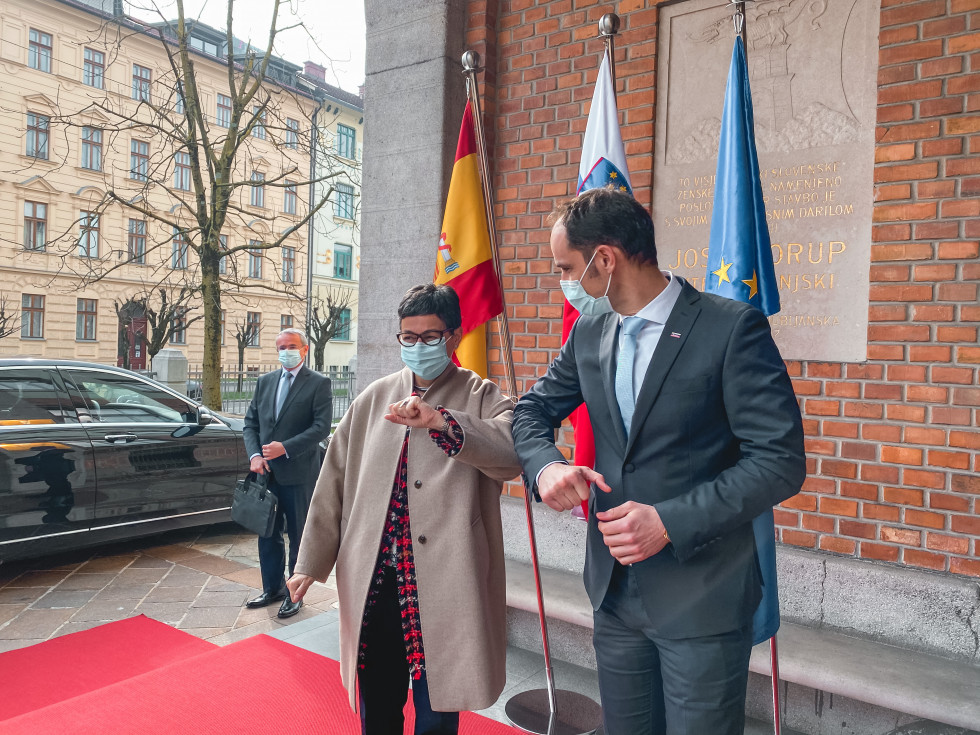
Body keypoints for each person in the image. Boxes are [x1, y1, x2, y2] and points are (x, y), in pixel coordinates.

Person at [511, 187, 806, 735]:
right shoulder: (590, 330)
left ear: (605, 259)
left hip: (703, 597)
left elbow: (780, 461)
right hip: (615, 596)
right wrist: (546, 467)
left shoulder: (730, 328)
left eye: (567, 268)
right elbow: (530, 412)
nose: (565, 284)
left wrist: (670, 521)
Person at [287, 284, 521, 735]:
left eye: (430, 337)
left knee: (437, 712)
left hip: (444, 583)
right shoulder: (373, 399)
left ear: (453, 337)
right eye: (408, 337)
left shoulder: (483, 396)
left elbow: (510, 454)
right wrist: (309, 562)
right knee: (377, 706)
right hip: (376, 581)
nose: (417, 346)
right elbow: (332, 484)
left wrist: (439, 421)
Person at [243, 328, 332, 619]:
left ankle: (295, 594)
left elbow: (320, 428)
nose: (286, 351)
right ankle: (273, 589)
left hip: (299, 473)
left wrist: (286, 448)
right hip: (266, 474)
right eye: (281, 346)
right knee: (267, 534)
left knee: (298, 535)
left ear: (304, 350)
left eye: (291, 346)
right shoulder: (265, 381)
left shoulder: (319, 383)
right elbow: (250, 423)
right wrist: (255, 455)